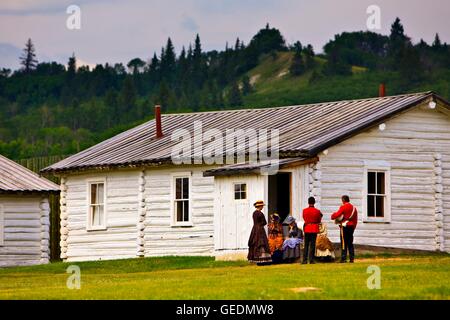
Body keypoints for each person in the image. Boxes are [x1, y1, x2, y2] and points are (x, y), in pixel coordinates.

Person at [331, 195, 358, 263]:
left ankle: (343, 258)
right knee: (350, 243)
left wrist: (332, 216)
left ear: (343, 200)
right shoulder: (354, 208)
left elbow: (337, 214)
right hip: (351, 226)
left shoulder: (343, 207)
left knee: (343, 243)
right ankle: (352, 258)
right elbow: (355, 220)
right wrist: (353, 227)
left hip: (344, 226)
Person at [247, 200, 272, 265]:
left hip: (254, 229)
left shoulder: (254, 213)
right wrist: (261, 224)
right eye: (262, 206)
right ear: (259, 206)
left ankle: (257, 259)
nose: (262, 207)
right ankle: (262, 260)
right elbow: (264, 222)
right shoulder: (260, 213)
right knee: (261, 243)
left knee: (255, 243)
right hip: (260, 229)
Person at [302, 196, 322, 264]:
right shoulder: (317, 211)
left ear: (308, 202)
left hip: (307, 228)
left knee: (306, 245)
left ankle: (304, 260)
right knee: (312, 245)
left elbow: (304, 218)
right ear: (314, 202)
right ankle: (311, 260)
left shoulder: (304, 210)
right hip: (313, 228)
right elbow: (319, 220)